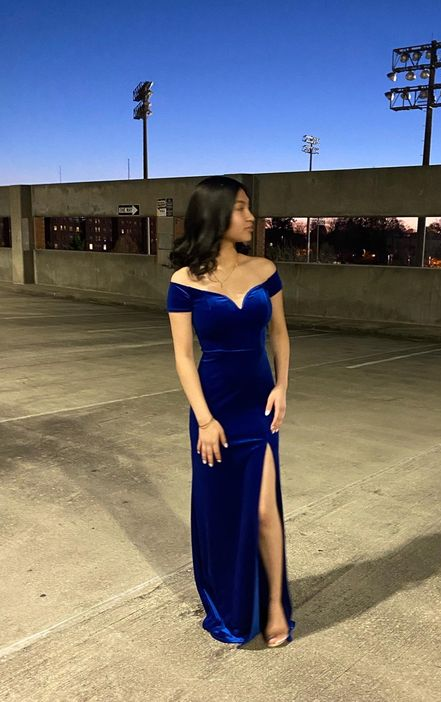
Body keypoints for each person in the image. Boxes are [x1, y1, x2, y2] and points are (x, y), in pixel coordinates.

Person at [166, 175, 296, 648]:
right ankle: (230, 601)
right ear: (216, 214)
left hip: (258, 404)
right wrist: (204, 419)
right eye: (241, 208)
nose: (251, 216)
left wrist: (282, 386)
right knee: (220, 510)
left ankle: (275, 605)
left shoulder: (265, 269)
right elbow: (184, 356)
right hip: (214, 408)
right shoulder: (184, 282)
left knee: (263, 510)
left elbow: (279, 333)